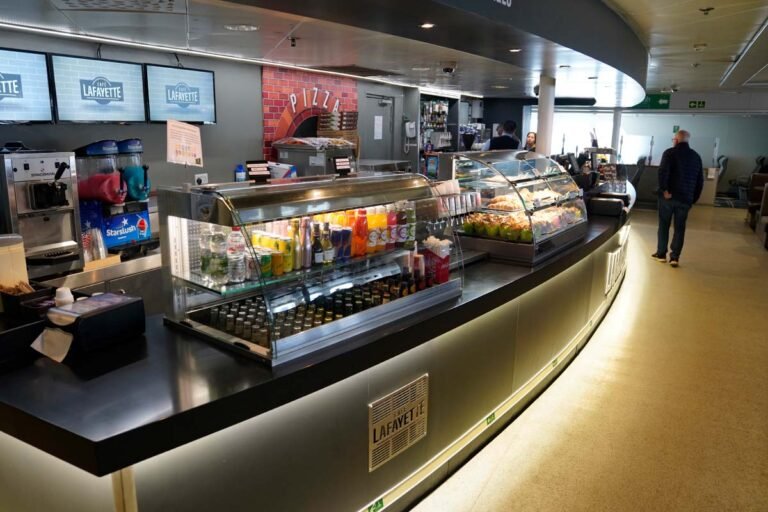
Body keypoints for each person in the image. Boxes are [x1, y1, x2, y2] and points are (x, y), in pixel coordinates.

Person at [652, 129, 703, 267]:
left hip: (669, 197)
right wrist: (693, 198)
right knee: (680, 228)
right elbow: (699, 181)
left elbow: (663, 172)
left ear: (676, 140)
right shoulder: (696, 157)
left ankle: (661, 254)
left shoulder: (669, 153)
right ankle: (675, 258)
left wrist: (664, 190)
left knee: (664, 225)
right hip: (685, 199)